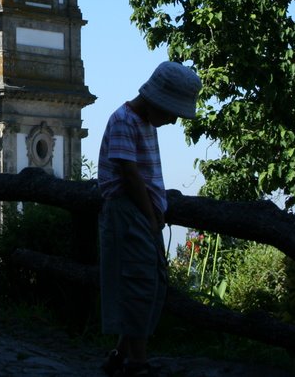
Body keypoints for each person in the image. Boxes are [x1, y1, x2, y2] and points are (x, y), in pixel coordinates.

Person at [98, 61, 202, 377]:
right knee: (139, 282)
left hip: (142, 211)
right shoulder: (124, 121)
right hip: (130, 211)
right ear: (157, 101)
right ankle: (136, 362)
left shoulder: (142, 122)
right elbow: (130, 175)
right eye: (172, 112)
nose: (172, 120)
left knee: (149, 282)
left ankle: (121, 354)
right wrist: (151, 216)